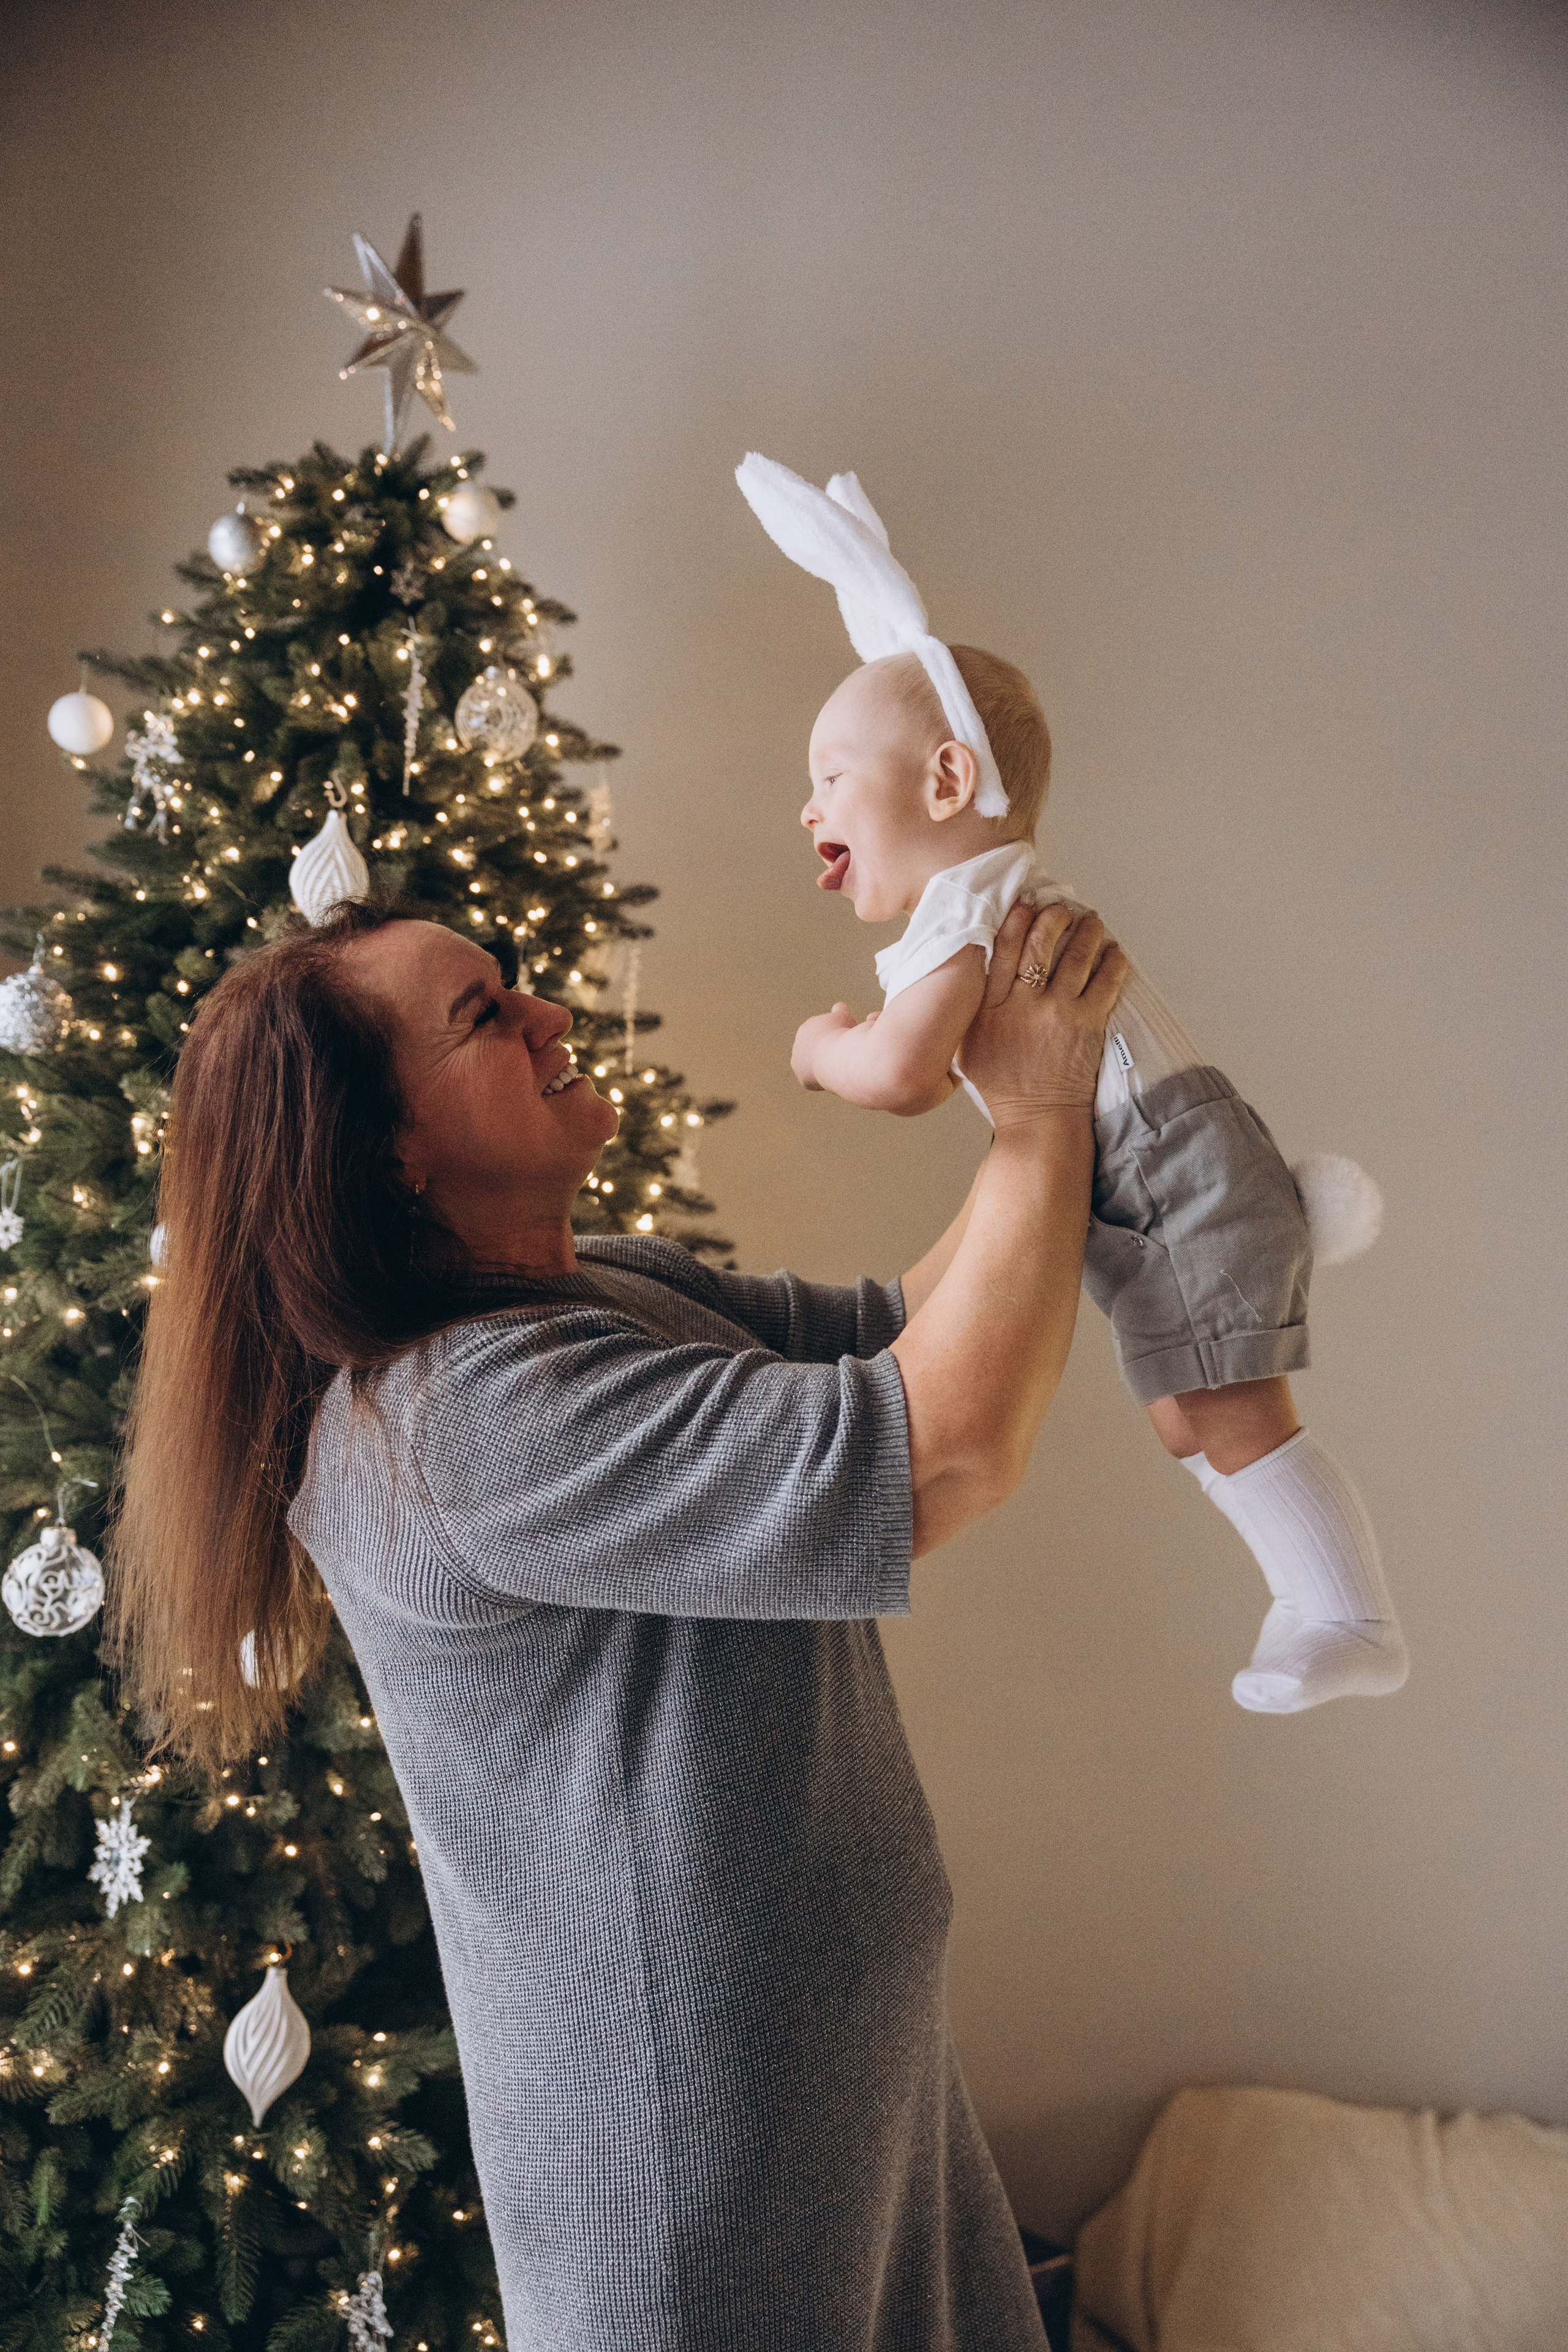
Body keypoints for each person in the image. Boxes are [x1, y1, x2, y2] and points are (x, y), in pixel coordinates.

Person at [108, 888, 1127, 2352]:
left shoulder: (591, 1293)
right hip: (693, 2167)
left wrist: (1026, 1085)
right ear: (385, 1152)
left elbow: (897, 1337)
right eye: (483, 1016)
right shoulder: (454, 1421)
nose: (551, 1017)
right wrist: (1039, 1120)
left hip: (838, 2090)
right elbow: (942, 1446)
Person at [736, 452, 1408, 1716]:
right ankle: (1309, 1592)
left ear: (943, 781)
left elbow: (900, 1077)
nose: (806, 806)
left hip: (1166, 1170)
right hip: (1160, 1173)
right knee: (1189, 1420)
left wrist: (816, 1048)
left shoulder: (957, 917)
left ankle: (1349, 1615)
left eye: (830, 776)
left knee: (1228, 1407)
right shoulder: (975, 904)